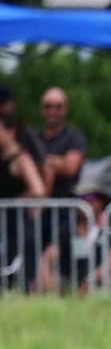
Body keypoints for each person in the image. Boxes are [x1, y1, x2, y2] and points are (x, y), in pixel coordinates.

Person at [36, 86, 87, 291]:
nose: (53, 111)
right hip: (37, 210)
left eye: (57, 106)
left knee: (55, 257)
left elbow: (71, 166)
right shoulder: (34, 137)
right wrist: (57, 163)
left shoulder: (74, 137)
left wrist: (45, 164)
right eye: (48, 106)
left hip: (66, 211)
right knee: (38, 256)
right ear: (42, 109)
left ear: (64, 109)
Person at [0, 112, 46, 289]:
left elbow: (38, 190)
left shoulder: (22, 159)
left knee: (24, 274)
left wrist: (17, 200)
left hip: (17, 226)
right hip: (5, 226)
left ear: (10, 132)